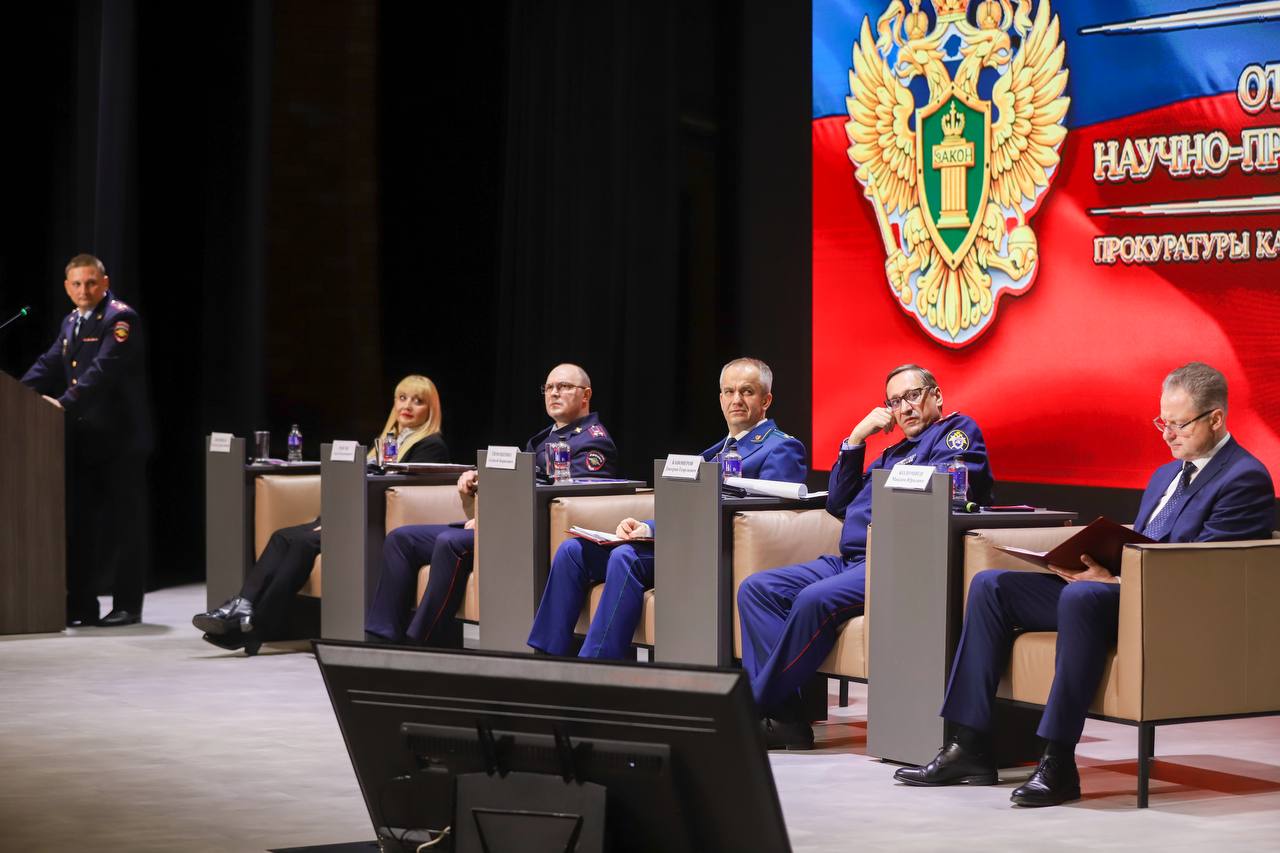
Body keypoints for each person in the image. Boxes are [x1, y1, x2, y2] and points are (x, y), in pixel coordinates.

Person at [895, 362, 1275, 806]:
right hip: (1116, 590)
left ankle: (1057, 762)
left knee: (1083, 595)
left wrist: (1115, 578)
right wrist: (1090, 561)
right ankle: (969, 745)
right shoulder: (1166, 475)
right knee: (991, 587)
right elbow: (1141, 540)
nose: (1168, 435)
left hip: (1169, 605)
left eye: (1179, 425)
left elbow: (1206, 573)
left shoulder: (1243, 478)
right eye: (1162, 423)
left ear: (1216, 419)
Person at [740, 364, 994, 749]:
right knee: (757, 589)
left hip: (894, 562)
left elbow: (944, 492)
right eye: (895, 402)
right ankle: (786, 718)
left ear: (936, 396)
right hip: (850, 561)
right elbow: (839, 503)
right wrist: (857, 439)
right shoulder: (894, 453)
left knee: (813, 600)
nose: (904, 408)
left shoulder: (956, 433)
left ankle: (749, 707)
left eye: (913, 396)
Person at [527, 357, 807, 659]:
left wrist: (655, 532)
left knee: (625, 556)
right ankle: (545, 661)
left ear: (766, 400)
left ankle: (596, 668)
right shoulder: (715, 451)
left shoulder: (781, 447)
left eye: (747, 391)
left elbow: (769, 523)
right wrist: (646, 527)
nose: (736, 399)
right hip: (679, 544)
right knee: (573, 551)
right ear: (720, 399)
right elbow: (686, 509)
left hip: (715, 553)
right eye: (729, 391)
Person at [365, 363, 618, 646]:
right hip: (503, 526)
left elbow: (564, 499)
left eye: (564, 387)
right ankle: (381, 636)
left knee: (450, 542)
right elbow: (521, 480)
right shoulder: (546, 437)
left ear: (586, 395)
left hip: (534, 536)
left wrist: (491, 521)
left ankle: (420, 641)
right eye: (549, 387)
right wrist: (479, 477)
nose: (554, 393)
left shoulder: (593, 443)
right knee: (402, 539)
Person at [193, 374, 449, 654]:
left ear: (430, 409)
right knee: (282, 537)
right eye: (402, 398)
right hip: (348, 517)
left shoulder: (431, 445)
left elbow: (395, 491)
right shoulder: (387, 440)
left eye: (417, 401)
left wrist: (340, 522)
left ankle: (253, 626)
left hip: (372, 525)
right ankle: (244, 607)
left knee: (302, 543)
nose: (407, 406)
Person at [21, 254, 153, 628]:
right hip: (85, 440)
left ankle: (128, 605)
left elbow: (102, 370)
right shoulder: (71, 322)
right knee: (81, 524)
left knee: (124, 525)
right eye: (77, 284)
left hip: (121, 440)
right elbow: (48, 363)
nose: (84, 290)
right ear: (67, 287)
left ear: (104, 282)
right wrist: (15, 392)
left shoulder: (120, 319)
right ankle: (81, 605)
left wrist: (64, 402)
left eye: (91, 282)